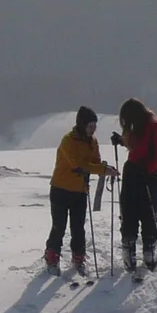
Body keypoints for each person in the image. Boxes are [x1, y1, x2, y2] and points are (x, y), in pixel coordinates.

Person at [45, 106, 116, 275]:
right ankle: (52, 256)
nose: (93, 129)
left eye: (94, 126)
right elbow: (78, 165)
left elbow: (95, 163)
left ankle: (78, 256)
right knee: (59, 226)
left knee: (78, 227)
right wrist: (102, 170)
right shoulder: (68, 141)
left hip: (80, 190)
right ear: (81, 125)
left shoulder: (93, 142)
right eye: (90, 126)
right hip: (60, 189)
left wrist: (105, 168)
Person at [112, 98, 157, 271]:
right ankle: (129, 251)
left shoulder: (154, 126)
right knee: (129, 211)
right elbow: (137, 146)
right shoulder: (140, 125)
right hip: (134, 173)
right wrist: (122, 141)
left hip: (147, 176)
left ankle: (148, 251)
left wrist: (148, 169)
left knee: (148, 213)